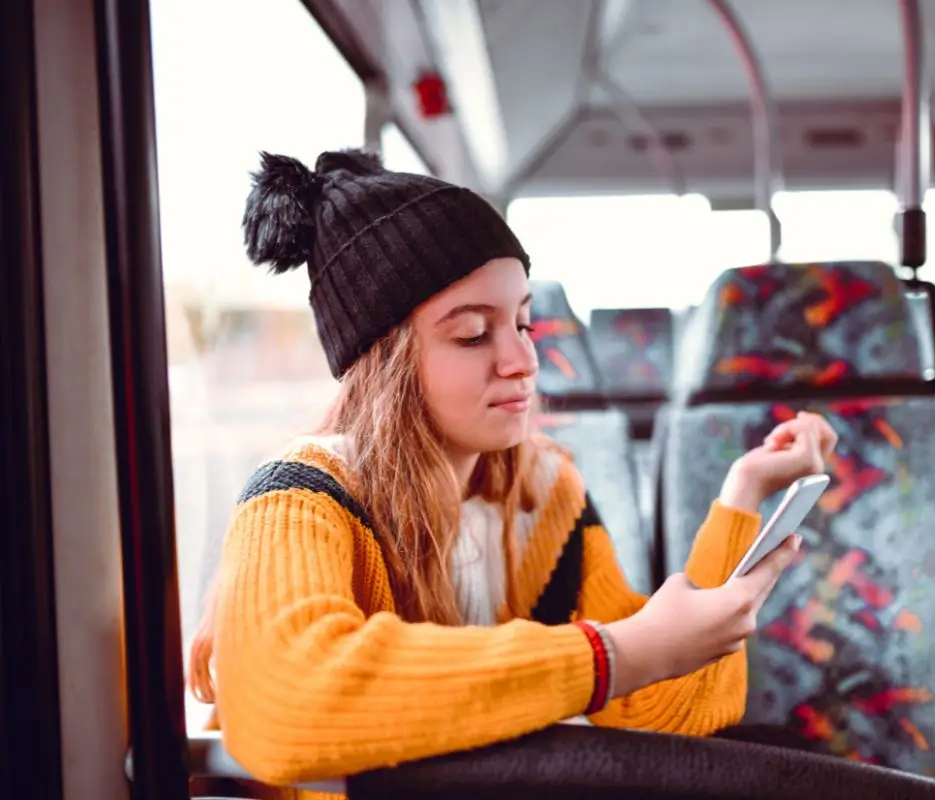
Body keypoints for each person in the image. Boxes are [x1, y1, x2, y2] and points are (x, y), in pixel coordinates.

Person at [187, 148, 837, 798]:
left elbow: (656, 717)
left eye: (524, 322)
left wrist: (743, 494)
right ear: (384, 362)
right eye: (473, 334)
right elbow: (289, 702)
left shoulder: (547, 494)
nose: (523, 360)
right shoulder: (301, 498)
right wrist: (613, 653)